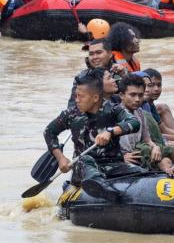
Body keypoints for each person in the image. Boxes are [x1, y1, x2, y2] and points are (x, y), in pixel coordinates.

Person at [43, 70, 143, 199]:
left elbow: (134, 122)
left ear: (95, 98)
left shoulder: (113, 110)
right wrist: (60, 158)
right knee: (84, 160)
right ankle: (103, 189)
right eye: (76, 96)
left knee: (141, 173)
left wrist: (110, 132)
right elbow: (49, 132)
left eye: (80, 96)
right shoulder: (71, 114)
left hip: (113, 165)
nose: (77, 100)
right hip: (83, 167)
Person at [118, 74, 174, 173]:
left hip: (139, 153)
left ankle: (171, 176)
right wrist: (121, 158)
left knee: (168, 158)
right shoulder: (113, 115)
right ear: (122, 95)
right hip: (125, 157)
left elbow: (147, 139)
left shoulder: (140, 112)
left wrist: (155, 147)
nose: (137, 99)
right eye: (132, 95)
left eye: (140, 95)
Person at [143, 68, 174, 146]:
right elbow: (156, 135)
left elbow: (164, 129)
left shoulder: (151, 104)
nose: (156, 89)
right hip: (148, 141)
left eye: (159, 85)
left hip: (156, 137)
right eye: (152, 85)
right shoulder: (141, 105)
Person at [67, 37, 117, 108]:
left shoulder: (120, 73)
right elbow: (72, 106)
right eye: (91, 54)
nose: (94, 57)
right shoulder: (82, 77)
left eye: (99, 53)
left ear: (110, 54)